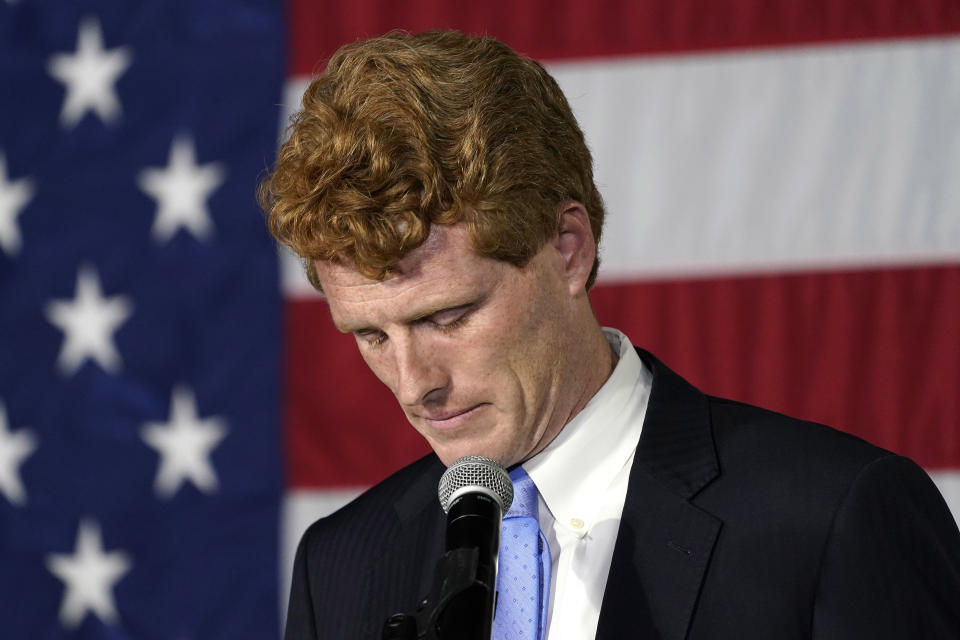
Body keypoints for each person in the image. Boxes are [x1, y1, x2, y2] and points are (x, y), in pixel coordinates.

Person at [259, 30, 960, 640]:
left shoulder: (832, 519)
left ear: (568, 248)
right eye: (371, 336)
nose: (417, 385)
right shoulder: (343, 563)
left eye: (447, 317)